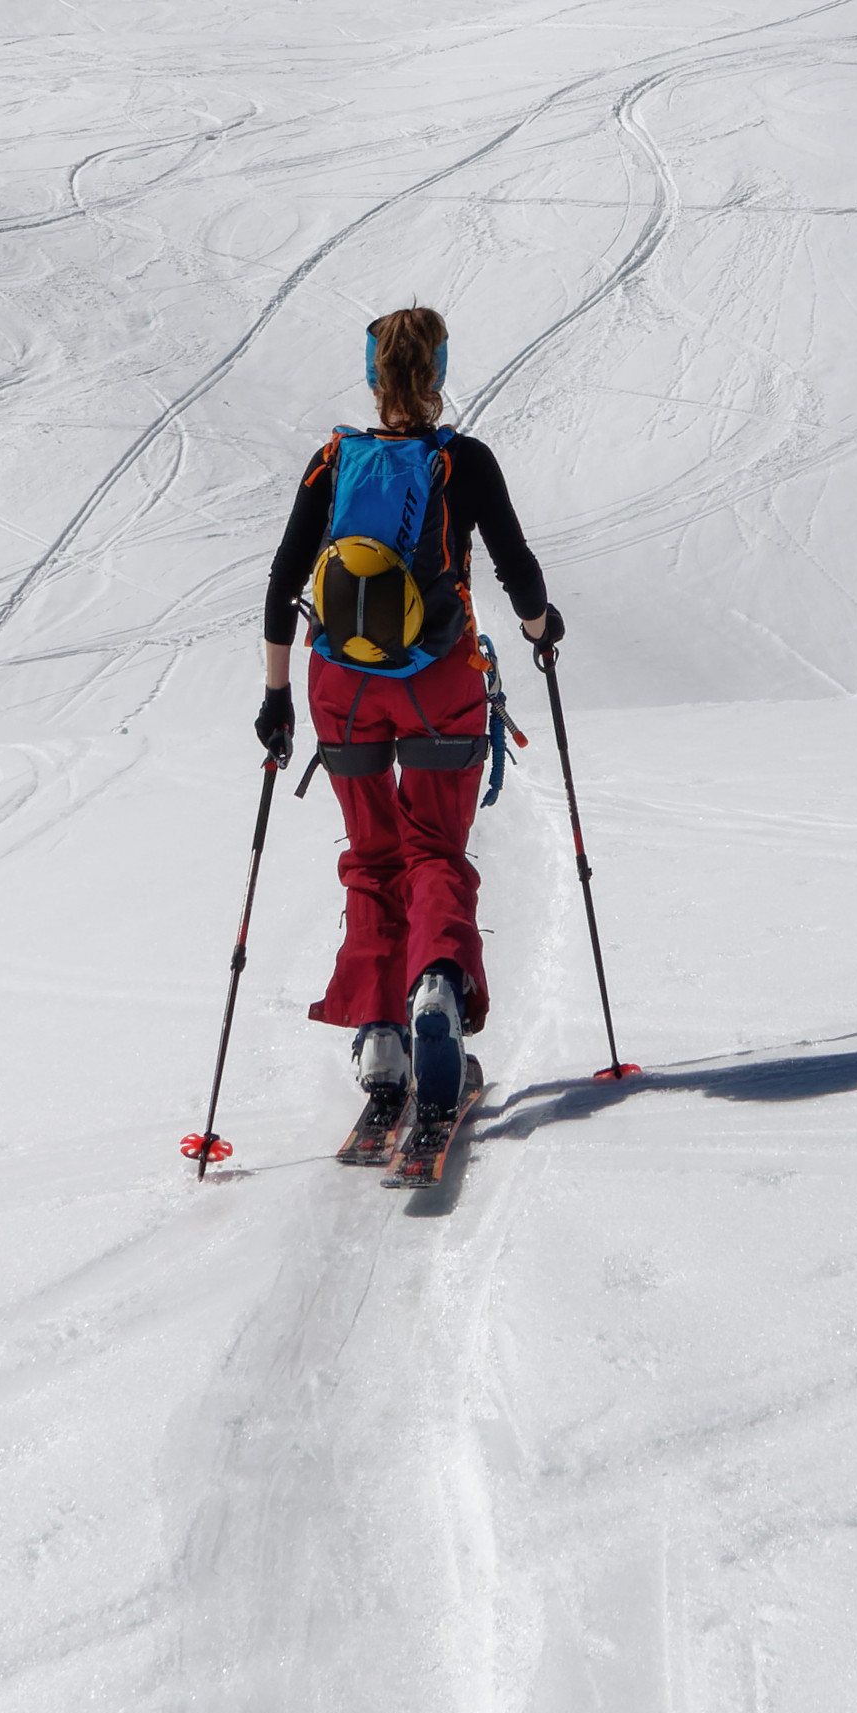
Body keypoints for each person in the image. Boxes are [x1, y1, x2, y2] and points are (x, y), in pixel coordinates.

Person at [259, 303, 557, 1129]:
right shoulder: (463, 460)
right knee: (433, 848)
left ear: (372, 374)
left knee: (373, 853)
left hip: (340, 687)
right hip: (440, 682)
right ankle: (437, 983)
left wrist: (278, 697)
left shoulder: (332, 461)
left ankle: (382, 1032)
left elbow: (285, 579)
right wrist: (542, 632)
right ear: (438, 375)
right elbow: (517, 571)